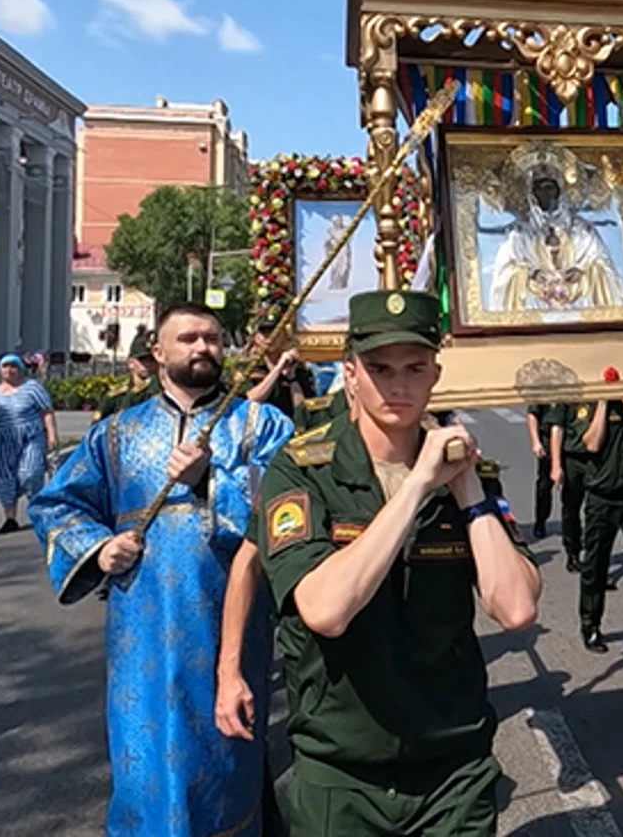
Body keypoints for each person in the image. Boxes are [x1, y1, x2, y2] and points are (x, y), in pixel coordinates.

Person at [251, 289, 540, 835]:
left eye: (414, 367)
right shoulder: (301, 470)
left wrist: (469, 489)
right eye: (379, 368)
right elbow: (325, 609)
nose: (398, 384)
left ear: (436, 372)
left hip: (453, 770)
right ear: (351, 374)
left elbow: (517, 608)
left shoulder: (470, 475)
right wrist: (415, 489)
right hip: (342, 771)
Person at [29, 302, 294, 836]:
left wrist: (210, 482)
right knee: (142, 756)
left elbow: (286, 509)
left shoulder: (258, 423)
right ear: (158, 352)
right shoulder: (117, 433)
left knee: (227, 756)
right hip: (140, 636)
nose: (202, 348)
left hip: (228, 624)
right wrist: (99, 548)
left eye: (213, 339)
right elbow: (57, 504)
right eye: (188, 338)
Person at [489, 158, 623, 311]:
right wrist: (531, 274)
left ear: (560, 191)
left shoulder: (582, 231)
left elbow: (602, 263)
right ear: (532, 193)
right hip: (534, 306)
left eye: (550, 187)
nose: (545, 194)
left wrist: (581, 271)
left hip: (578, 303)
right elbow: (505, 270)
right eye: (539, 188)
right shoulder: (518, 234)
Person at [577, 396, 623, 654]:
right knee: (595, 565)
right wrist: (604, 402)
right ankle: (590, 624)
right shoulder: (599, 403)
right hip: (602, 496)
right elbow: (592, 444)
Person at [0, 353, 56, 533]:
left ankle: (37, 511)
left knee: (30, 473)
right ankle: (10, 518)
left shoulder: (32, 388)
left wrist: (51, 435)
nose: (9, 370)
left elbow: (46, 411)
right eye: (5, 366)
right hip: (1, 441)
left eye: (13, 366)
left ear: (20, 369)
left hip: (30, 436)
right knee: (5, 479)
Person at [559, 399, 599, 574]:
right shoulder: (569, 397)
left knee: (596, 510)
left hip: (596, 459)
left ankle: (594, 558)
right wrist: (556, 465)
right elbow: (557, 429)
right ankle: (572, 552)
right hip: (572, 458)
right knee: (571, 508)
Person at [248, 328, 316, 419]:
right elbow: (252, 399)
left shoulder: (299, 368)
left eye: (275, 332)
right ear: (256, 338)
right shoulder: (249, 368)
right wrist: (278, 369)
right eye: (265, 333)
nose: (271, 338)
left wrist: (292, 378)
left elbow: (303, 411)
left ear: (284, 335)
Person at [525, 402, 567, 541]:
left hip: (569, 443)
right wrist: (535, 441)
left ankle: (570, 525)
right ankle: (541, 520)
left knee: (572, 487)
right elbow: (532, 414)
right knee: (544, 485)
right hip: (547, 441)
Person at [98, 335, 159, 419]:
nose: (149, 364)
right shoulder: (115, 397)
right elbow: (98, 429)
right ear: (131, 363)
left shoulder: (163, 394)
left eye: (153, 360)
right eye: (143, 360)